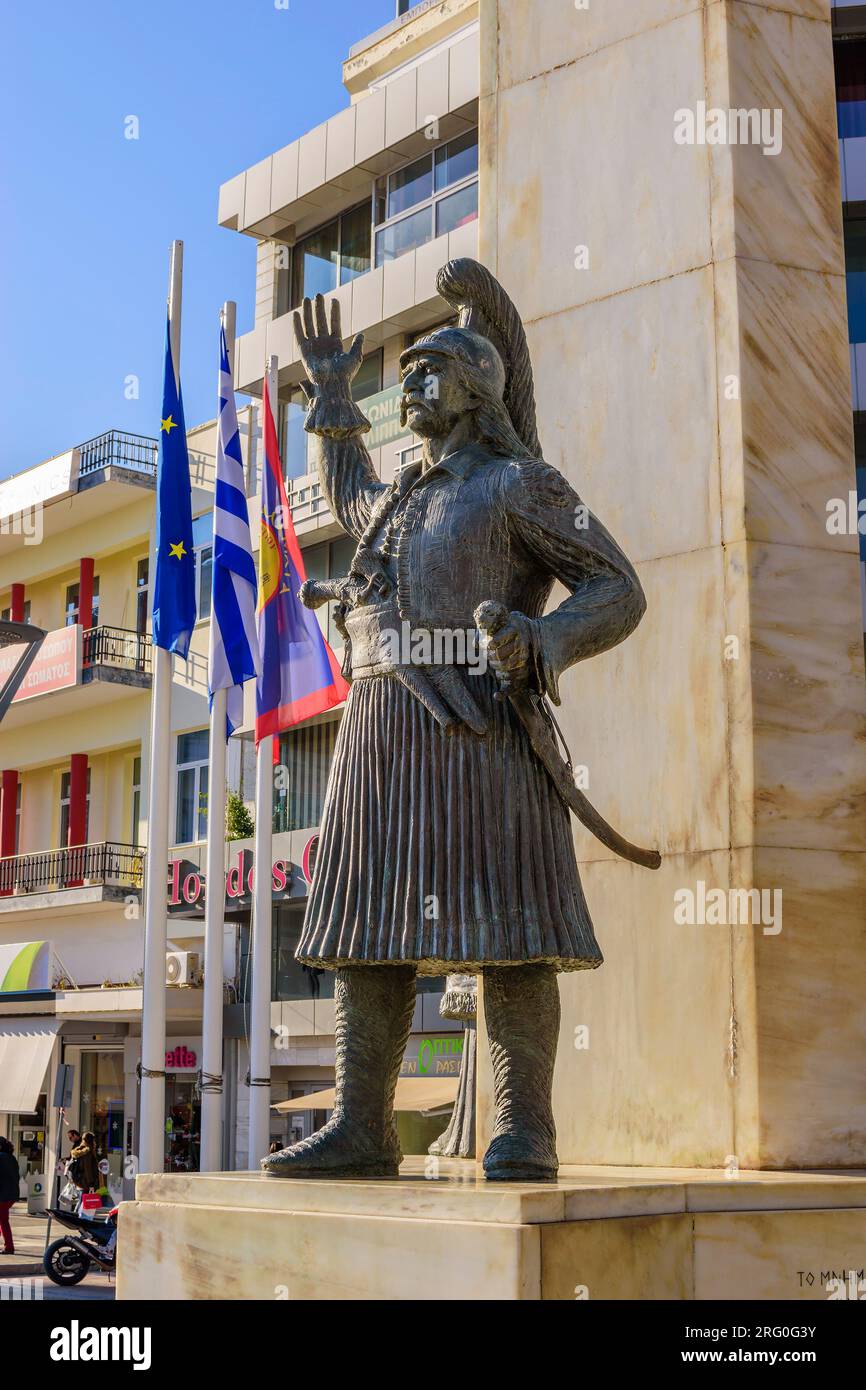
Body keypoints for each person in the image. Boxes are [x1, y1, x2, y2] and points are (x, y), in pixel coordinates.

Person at [263, 260, 647, 1183]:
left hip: (481, 724)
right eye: (406, 380)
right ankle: (363, 1126)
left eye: (428, 374)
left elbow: (618, 587)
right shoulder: (402, 496)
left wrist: (540, 638)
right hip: (384, 730)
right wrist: (330, 392)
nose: (413, 389)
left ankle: (526, 1127)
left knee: (515, 933)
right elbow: (350, 494)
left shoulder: (522, 482)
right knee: (366, 931)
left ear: (477, 391)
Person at [0, 1137, 20, 1255]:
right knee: (3, 1220)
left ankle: (9, 1247)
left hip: (2, 1195)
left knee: (3, 1221)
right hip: (12, 1195)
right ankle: (8, 1246)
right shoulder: (12, 1158)